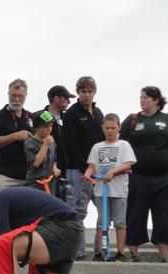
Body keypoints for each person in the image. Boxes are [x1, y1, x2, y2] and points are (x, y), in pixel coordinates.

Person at [120, 86, 168, 263]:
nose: (142, 100)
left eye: (146, 98)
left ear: (156, 100)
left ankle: (164, 255)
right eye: (141, 97)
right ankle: (134, 254)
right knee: (136, 213)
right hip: (138, 175)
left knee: (165, 215)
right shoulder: (132, 120)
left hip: (166, 177)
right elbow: (121, 145)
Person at [84, 113, 136, 262]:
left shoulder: (124, 145)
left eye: (113, 127)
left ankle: (120, 252)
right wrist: (88, 174)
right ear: (102, 128)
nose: (110, 131)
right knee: (102, 222)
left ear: (119, 127)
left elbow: (128, 163)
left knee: (120, 222)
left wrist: (113, 171)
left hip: (119, 190)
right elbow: (92, 166)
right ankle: (100, 251)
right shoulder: (97, 147)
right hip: (101, 190)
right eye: (107, 128)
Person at [63, 76, 105, 260]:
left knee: (104, 212)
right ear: (78, 92)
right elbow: (69, 145)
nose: (86, 95)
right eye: (83, 91)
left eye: (89, 91)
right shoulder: (72, 113)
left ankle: (100, 251)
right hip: (78, 171)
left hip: (100, 172)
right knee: (77, 211)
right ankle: (78, 252)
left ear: (94, 91)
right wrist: (85, 166)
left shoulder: (98, 113)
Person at [0, 79, 32, 191]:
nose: (16, 99)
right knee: (0, 208)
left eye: (20, 96)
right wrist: (14, 136)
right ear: (8, 94)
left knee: (26, 209)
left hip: (28, 176)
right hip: (4, 175)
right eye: (13, 95)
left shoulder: (31, 117)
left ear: (26, 96)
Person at [44, 85, 75, 200]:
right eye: (66, 98)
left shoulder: (69, 118)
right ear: (56, 98)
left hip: (67, 171)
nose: (69, 102)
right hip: (47, 173)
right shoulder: (41, 117)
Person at [24, 110, 60, 193]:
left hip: (49, 183)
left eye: (51, 126)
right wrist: (45, 145)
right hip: (34, 184)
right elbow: (36, 163)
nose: (49, 129)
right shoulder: (29, 142)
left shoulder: (52, 142)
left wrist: (55, 168)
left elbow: (53, 160)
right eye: (45, 126)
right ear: (36, 128)